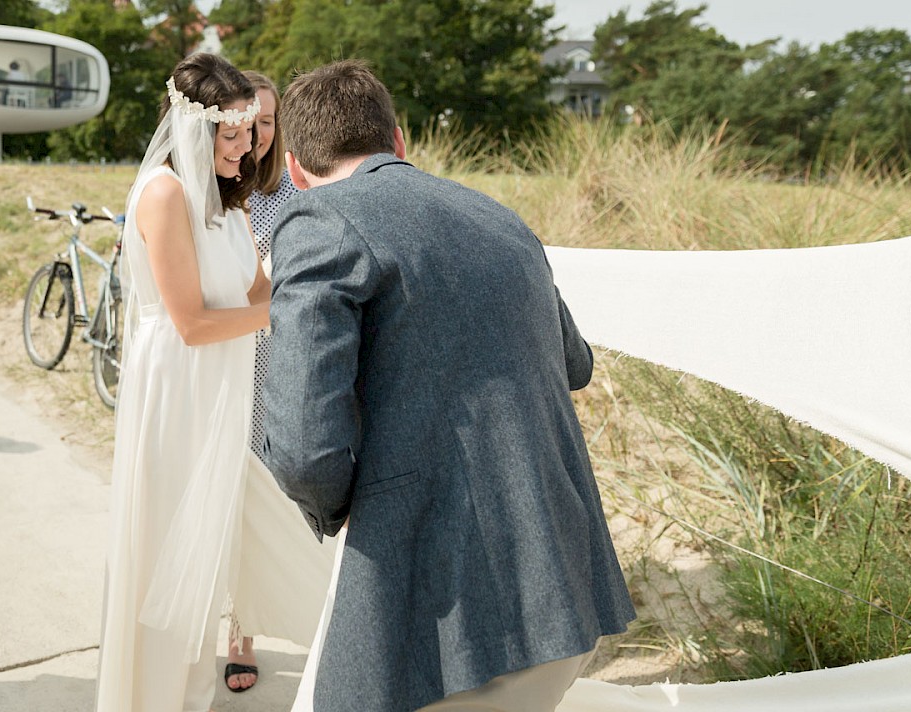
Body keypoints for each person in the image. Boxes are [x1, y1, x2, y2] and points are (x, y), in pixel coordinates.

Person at [264, 59, 636, 712]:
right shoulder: (499, 216)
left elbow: (302, 447)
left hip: (445, 609)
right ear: (399, 141)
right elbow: (575, 364)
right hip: (565, 589)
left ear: (294, 169)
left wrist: (339, 510)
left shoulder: (316, 220)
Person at [95, 52, 333, 712]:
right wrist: (280, 312)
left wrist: (308, 268)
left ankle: (193, 691)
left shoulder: (229, 200)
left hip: (224, 391)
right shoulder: (165, 194)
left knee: (217, 545)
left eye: (251, 129)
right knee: (172, 545)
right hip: (178, 391)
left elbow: (256, 288)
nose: (247, 144)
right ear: (195, 129)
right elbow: (195, 323)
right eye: (231, 132)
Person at [217, 69, 302, 695]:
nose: (260, 134)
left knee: (273, 493)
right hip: (224, 359)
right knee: (228, 495)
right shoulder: (218, 192)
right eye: (251, 122)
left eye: (269, 122)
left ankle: (259, 620)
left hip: (277, 360)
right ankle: (235, 634)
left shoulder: (293, 197)